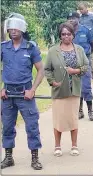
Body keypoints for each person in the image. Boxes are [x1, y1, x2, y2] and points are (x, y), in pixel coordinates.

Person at [1, 13, 44, 170]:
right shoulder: (3, 47)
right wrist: (1, 88)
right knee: (6, 127)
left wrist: (32, 90)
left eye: (16, 27)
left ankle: (35, 158)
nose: (13, 30)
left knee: (32, 126)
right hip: (7, 96)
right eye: (10, 27)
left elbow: (41, 70)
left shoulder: (30, 47)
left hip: (25, 94)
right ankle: (8, 157)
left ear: (22, 29)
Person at [44, 22, 89, 157]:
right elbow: (47, 69)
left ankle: (74, 145)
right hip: (59, 91)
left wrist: (75, 70)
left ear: (73, 35)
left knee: (73, 119)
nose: (66, 36)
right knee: (58, 119)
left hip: (74, 90)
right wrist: (52, 82)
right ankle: (57, 146)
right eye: (63, 34)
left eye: (68, 34)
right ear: (60, 36)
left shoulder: (79, 50)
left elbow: (86, 66)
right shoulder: (53, 51)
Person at [67, 12, 93, 121]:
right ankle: (79, 111)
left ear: (78, 19)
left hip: (85, 62)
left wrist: (87, 55)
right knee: (76, 87)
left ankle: (90, 110)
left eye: (73, 18)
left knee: (86, 87)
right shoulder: (67, 32)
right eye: (69, 18)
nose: (71, 20)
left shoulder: (85, 30)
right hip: (72, 63)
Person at [78, 2, 93, 79]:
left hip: (91, 40)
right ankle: (84, 73)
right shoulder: (80, 17)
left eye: (82, 9)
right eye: (79, 9)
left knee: (91, 56)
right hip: (83, 40)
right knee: (84, 56)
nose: (80, 11)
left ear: (86, 8)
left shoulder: (92, 16)